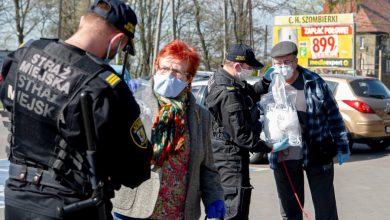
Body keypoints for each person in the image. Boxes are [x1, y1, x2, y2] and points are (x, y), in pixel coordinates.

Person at [0, 0, 153, 219]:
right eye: (122, 47)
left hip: (17, 198)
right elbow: (135, 170)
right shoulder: (105, 88)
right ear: (118, 40)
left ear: (83, 21)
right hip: (72, 206)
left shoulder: (24, 56)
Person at [112, 40, 225, 220]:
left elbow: (207, 167)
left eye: (177, 72)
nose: (169, 76)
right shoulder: (135, 101)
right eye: (164, 68)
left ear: (189, 78)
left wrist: (214, 198)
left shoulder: (200, 116)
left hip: (178, 211)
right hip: (134, 208)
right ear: (156, 66)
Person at [264, 41, 350, 220]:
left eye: (286, 62)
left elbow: (333, 115)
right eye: (277, 63)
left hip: (317, 152)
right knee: (291, 212)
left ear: (295, 61)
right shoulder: (268, 86)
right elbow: (259, 118)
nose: (282, 67)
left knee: (325, 210)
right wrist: (266, 142)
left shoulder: (314, 81)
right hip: (285, 156)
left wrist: (342, 145)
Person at [205, 43, 290, 220]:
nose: (250, 71)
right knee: (235, 208)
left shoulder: (228, 79)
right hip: (230, 158)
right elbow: (242, 135)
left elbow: (250, 92)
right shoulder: (227, 93)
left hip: (227, 152)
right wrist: (269, 147)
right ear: (237, 66)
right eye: (249, 68)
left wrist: (265, 82)